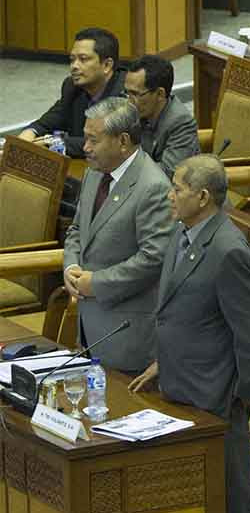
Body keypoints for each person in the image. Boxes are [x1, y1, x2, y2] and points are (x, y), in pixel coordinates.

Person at [129, 155, 250, 513]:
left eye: (177, 189)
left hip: (216, 392)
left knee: (229, 493)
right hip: (179, 382)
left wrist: (243, 396)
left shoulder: (229, 251)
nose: (170, 195)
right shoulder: (183, 231)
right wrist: (163, 360)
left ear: (203, 197)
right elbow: (182, 311)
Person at [62, 97, 173, 373]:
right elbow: (77, 230)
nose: (85, 148)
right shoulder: (94, 173)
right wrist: (71, 266)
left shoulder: (153, 187)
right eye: (85, 138)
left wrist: (96, 283)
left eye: (93, 140)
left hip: (126, 334)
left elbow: (153, 259)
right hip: (88, 326)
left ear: (123, 141)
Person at [19, 28, 126, 157]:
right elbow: (47, 122)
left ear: (107, 65)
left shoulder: (125, 93)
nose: (74, 66)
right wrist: (30, 133)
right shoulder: (72, 88)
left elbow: (106, 143)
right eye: (72, 59)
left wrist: (52, 143)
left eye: (83, 59)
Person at [124, 55, 200, 179]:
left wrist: (124, 166)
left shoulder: (180, 123)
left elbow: (168, 173)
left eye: (135, 94)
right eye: (127, 93)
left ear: (160, 94)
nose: (129, 101)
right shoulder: (136, 109)